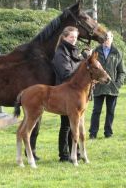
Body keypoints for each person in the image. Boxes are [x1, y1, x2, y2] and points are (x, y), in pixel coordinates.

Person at [52, 26, 88, 162]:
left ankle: (75, 153)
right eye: (71, 37)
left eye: (76, 37)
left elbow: (77, 67)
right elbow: (66, 73)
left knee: (74, 123)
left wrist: (84, 59)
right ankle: (64, 155)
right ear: (64, 37)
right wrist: (83, 62)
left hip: (74, 92)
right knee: (66, 125)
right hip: (64, 92)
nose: (74, 40)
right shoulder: (60, 53)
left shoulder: (73, 50)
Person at [89, 31, 125, 139]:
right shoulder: (96, 51)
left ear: (112, 39)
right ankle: (93, 133)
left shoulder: (117, 52)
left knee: (110, 111)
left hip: (112, 87)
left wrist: (118, 84)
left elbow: (122, 71)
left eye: (107, 38)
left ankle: (108, 133)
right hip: (98, 87)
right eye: (104, 38)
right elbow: (90, 68)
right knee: (96, 111)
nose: (105, 40)